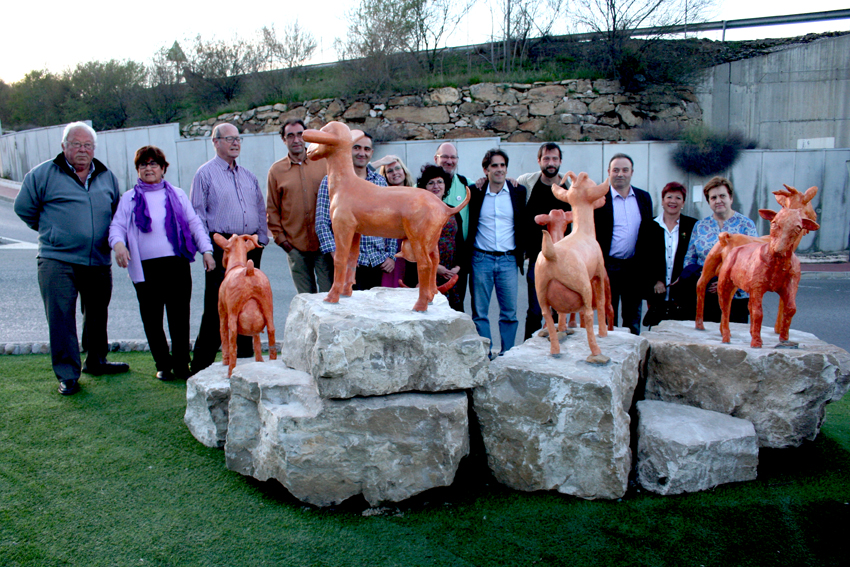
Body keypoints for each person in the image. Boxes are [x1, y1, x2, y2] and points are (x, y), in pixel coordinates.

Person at [14, 121, 129, 395]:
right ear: (64, 146)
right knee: (61, 317)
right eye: (76, 144)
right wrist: (53, 232)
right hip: (57, 260)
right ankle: (67, 374)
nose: (82, 150)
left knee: (97, 313)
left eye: (88, 145)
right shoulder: (42, 174)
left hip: (97, 260)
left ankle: (97, 361)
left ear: (94, 149)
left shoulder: (106, 176)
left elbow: (117, 213)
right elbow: (24, 208)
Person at [109, 146, 215, 381]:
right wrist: (118, 245)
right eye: (143, 164)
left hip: (176, 265)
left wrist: (207, 251)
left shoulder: (177, 194)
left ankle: (181, 364)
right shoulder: (129, 198)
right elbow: (116, 226)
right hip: (145, 268)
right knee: (152, 318)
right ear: (137, 169)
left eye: (153, 164)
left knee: (179, 316)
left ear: (163, 168)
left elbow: (195, 224)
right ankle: (163, 364)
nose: (149, 168)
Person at [189, 123, 269, 375]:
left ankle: (244, 362)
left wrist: (261, 240)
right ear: (215, 142)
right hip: (222, 247)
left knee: (248, 303)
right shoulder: (205, 174)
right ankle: (200, 366)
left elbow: (260, 207)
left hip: (250, 247)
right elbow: (198, 216)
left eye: (238, 138)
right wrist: (207, 250)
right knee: (218, 306)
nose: (235, 143)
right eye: (229, 138)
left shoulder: (248, 176)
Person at [316, 132, 397, 290]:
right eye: (357, 148)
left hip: (377, 262)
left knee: (374, 306)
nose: (362, 153)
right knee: (346, 305)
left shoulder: (380, 182)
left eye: (366, 149)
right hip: (347, 263)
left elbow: (390, 220)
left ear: (371, 153)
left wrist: (391, 256)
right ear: (348, 150)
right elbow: (322, 223)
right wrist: (338, 256)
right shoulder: (332, 181)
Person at [466, 148, 526, 359]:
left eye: (502, 165)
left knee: (509, 313)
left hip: (508, 260)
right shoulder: (475, 191)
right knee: (480, 312)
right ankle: (486, 353)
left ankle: (507, 354)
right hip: (481, 258)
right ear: (486, 170)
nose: (499, 169)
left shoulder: (518, 191)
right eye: (494, 166)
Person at [266, 117, 332, 295]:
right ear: (284, 139)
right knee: (305, 298)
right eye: (290, 136)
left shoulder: (324, 163)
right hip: (295, 246)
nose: (296, 140)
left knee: (328, 296)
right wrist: (282, 241)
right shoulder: (276, 171)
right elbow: (272, 209)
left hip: (323, 245)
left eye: (300, 135)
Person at [682, 176, 758, 323]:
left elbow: (754, 262)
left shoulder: (746, 225)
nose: (718, 201)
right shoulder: (700, 226)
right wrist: (703, 280)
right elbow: (690, 259)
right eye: (713, 197)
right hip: (706, 296)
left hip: (736, 298)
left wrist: (727, 282)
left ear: (731, 198)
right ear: (709, 202)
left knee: (733, 336)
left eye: (722, 196)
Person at [594, 153, 654, 335]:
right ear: (608, 172)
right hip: (608, 266)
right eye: (616, 170)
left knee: (632, 319)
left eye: (625, 170)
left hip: (634, 267)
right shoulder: (600, 199)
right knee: (607, 317)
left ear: (632, 172)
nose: (620, 174)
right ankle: (608, 349)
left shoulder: (643, 198)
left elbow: (648, 233)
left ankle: (633, 351)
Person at [517, 142, 572, 340]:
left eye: (555, 159)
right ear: (539, 161)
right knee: (535, 310)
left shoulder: (568, 188)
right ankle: (528, 350)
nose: (551, 163)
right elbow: (506, 185)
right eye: (546, 158)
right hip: (537, 259)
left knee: (559, 309)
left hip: (563, 261)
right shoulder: (527, 183)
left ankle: (557, 346)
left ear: (560, 161)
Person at [402, 164, 463, 306]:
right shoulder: (416, 213)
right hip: (425, 273)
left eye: (440, 182)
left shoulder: (453, 211)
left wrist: (458, 267)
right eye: (431, 183)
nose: (436, 186)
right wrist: (436, 267)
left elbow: (459, 241)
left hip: (450, 274)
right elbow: (413, 245)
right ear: (424, 187)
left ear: (445, 185)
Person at [644, 182, 698, 326]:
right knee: (657, 333)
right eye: (669, 197)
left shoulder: (693, 226)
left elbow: (696, 258)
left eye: (678, 198)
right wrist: (656, 280)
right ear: (662, 201)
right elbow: (643, 258)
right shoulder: (648, 226)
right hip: (657, 295)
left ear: (683, 203)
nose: (673, 201)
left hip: (684, 295)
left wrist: (683, 279)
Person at [434, 142, 471, 312]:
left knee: (455, 310)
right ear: (436, 158)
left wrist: (459, 266)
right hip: (429, 267)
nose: (449, 161)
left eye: (453, 157)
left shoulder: (467, 186)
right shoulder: (417, 196)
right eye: (444, 157)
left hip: (454, 267)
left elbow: (460, 239)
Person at [372, 154, 415, 287]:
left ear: (404, 171)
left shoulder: (415, 193)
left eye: (397, 168)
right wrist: (379, 162)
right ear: (384, 176)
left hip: (412, 250)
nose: (395, 173)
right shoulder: (381, 197)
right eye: (390, 171)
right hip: (389, 252)